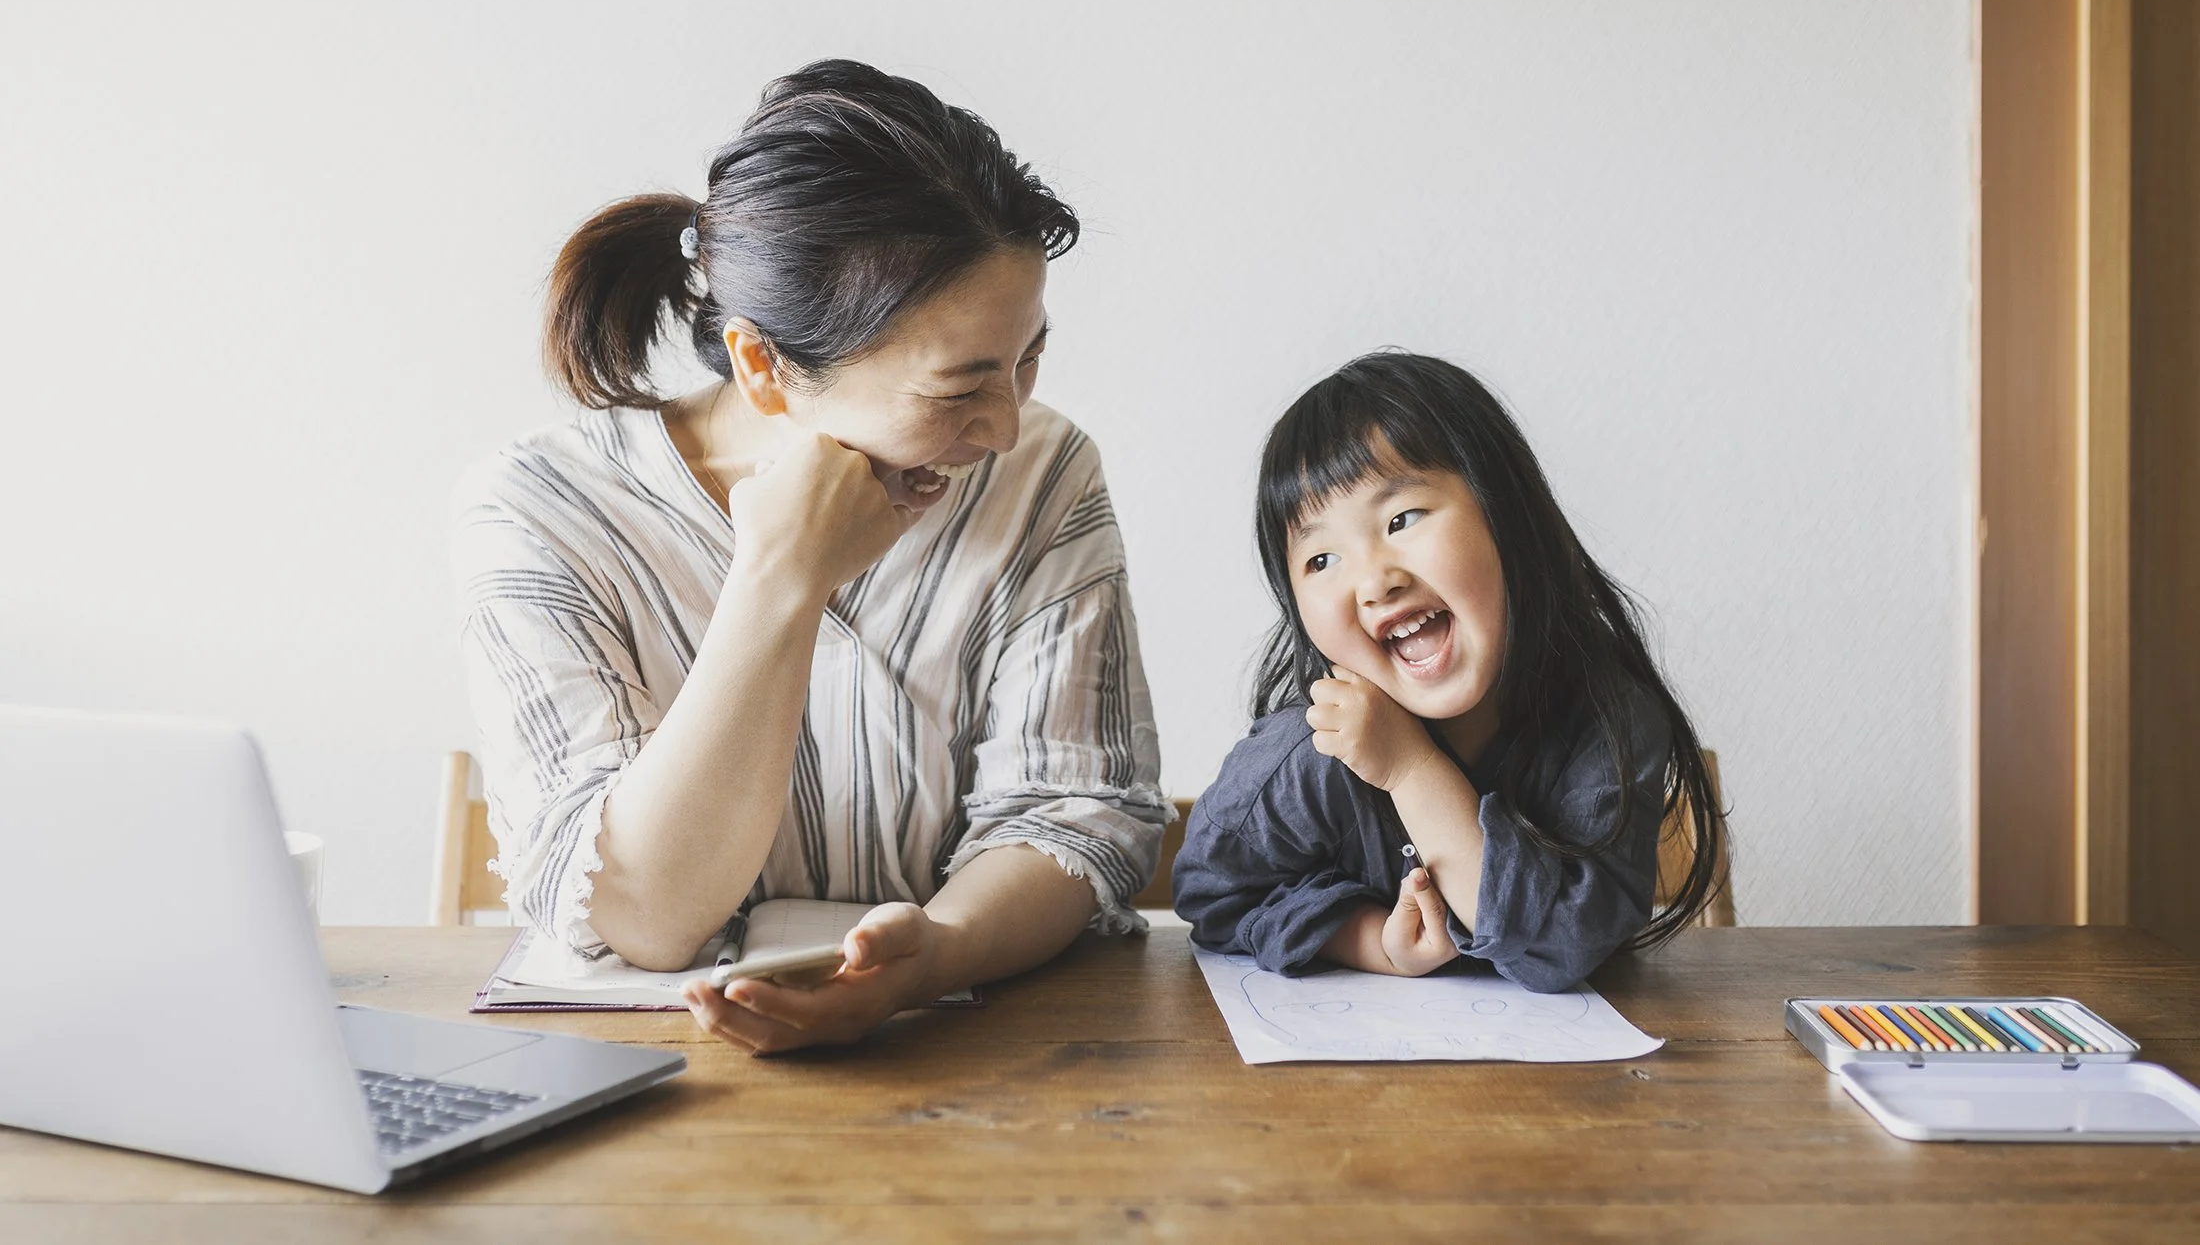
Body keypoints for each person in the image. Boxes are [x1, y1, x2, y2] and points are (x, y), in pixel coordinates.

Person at [453, 60, 1166, 1053]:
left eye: (1026, 359)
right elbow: (647, 916)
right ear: (762, 363)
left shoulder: (1041, 472)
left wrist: (940, 952)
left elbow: (1070, 812)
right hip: (636, 1085)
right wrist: (779, 577)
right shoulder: (542, 510)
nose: (1005, 424)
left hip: (983, 1060)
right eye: (959, 388)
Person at [1172, 350, 1725, 992]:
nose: (1375, 581)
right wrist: (1370, 940)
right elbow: (1211, 896)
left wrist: (1411, 769)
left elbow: (1564, 944)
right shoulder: (1311, 754)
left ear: (1505, 512)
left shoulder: (1606, 721)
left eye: (1401, 520)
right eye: (1321, 559)